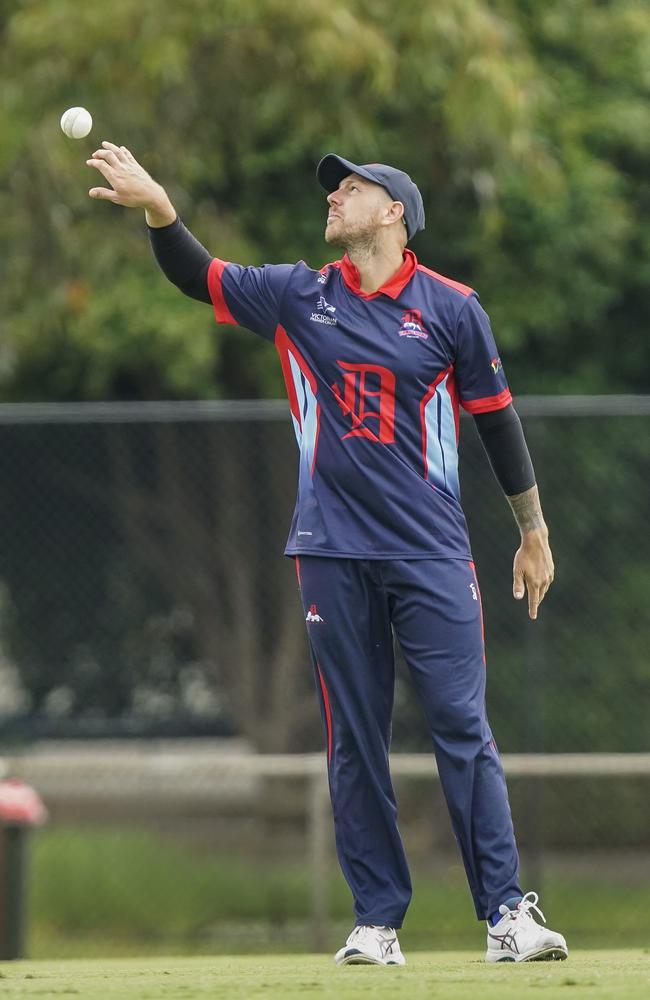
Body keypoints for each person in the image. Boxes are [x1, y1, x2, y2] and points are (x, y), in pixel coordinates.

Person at [87, 142, 568, 966]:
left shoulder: (452, 307)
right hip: (332, 551)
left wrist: (533, 531)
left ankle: (505, 917)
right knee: (354, 738)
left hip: (431, 552)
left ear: (395, 214)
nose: (335, 198)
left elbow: (496, 420)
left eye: (353, 189)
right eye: (334, 189)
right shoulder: (297, 295)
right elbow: (197, 275)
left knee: (462, 727)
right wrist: (159, 208)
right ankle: (377, 922)